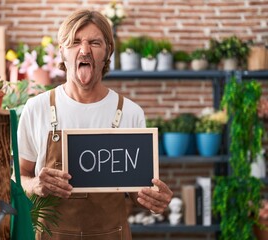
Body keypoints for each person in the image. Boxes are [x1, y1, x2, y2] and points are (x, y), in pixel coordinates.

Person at [16, 9, 173, 240]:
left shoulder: (130, 113)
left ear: (107, 52)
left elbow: (140, 190)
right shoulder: (36, 108)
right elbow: (18, 176)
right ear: (62, 52)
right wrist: (35, 185)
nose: (85, 49)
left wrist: (154, 200)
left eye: (95, 42)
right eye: (75, 42)